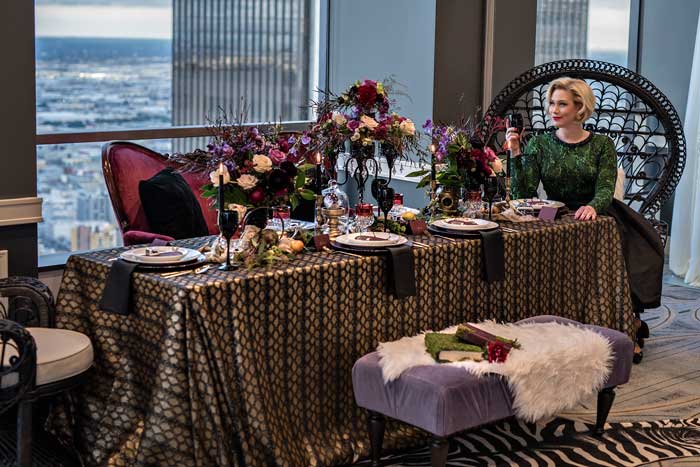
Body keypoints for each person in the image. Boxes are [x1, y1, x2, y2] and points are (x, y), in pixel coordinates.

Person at [506, 77, 659, 363]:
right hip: (558, 214)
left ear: (580, 108)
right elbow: (523, 194)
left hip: (597, 212)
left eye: (561, 103)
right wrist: (515, 152)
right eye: (551, 103)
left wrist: (592, 207)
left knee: (616, 249)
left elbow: (605, 188)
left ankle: (627, 325)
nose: (553, 109)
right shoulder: (539, 144)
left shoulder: (602, 145)